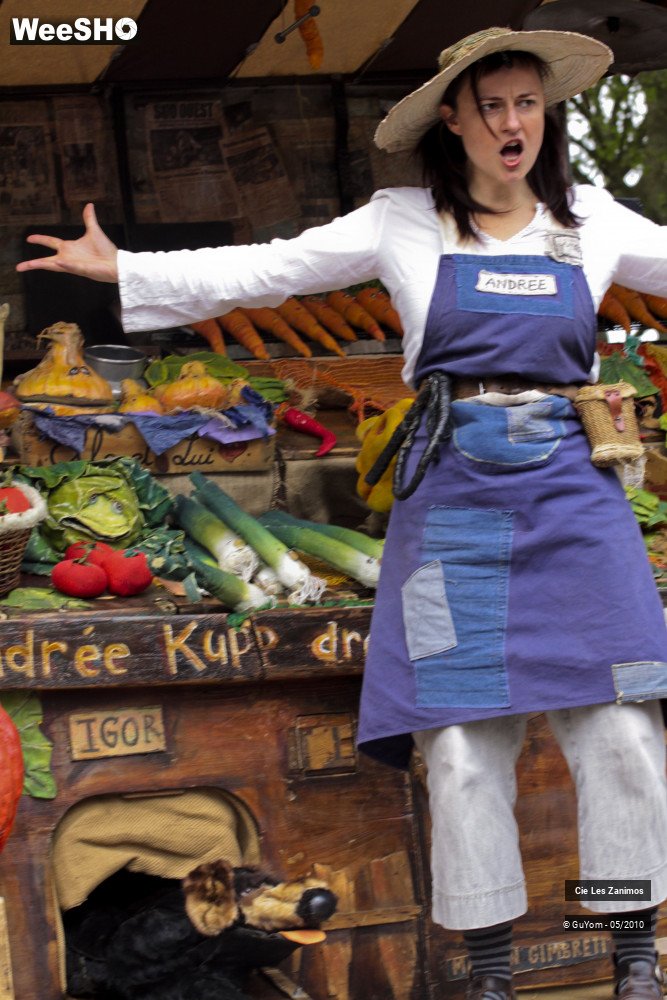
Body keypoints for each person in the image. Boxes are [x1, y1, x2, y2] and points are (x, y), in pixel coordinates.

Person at [16, 26, 667, 1000]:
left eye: (525, 102)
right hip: (457, 508)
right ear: (452, 119)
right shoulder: (402, 219)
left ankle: (631, 953)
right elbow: (268, 270)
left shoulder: (592, 222)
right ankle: (485, 968)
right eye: (489, 104)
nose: (509, 122)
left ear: (545, 114)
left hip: (577, 503)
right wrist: (129, 273)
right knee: (460, 744)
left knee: (619, 736)